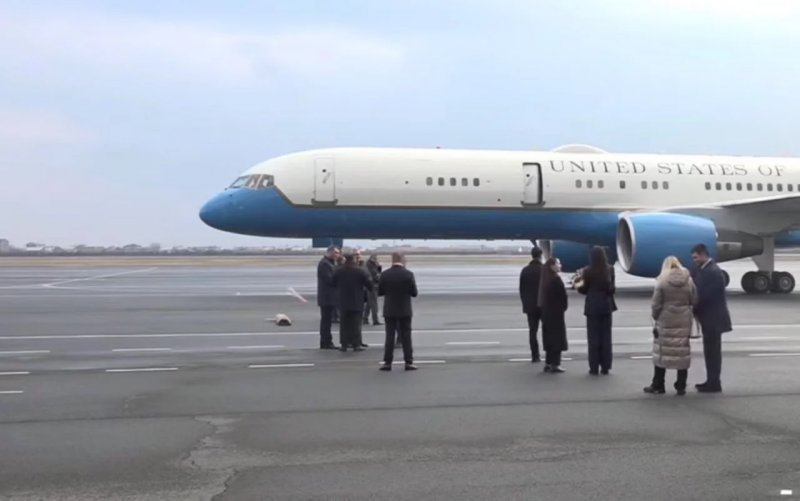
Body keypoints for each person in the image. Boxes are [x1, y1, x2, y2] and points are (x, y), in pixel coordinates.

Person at [644, 256, 697, 395]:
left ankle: (658, 384)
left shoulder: (661, 282)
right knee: (682, 352)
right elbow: (694, 300)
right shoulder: (689, 281)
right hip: (684, 319)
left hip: (665, 319)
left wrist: (655, 317)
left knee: (662, 352)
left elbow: (656, 304)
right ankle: (681, 385)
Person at [690, 243, 732, 393]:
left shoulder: (713, 272)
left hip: (714, 318)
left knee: (713, 352)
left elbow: (705, 295)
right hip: (709, 318)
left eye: (695, 257)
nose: (694, 260)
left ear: (702, 254)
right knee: (710, 351)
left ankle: (714, 382)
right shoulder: (703, 269)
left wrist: (692, 305)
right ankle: (711, 380)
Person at [576, 247, 617, 375]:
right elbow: (612, 289)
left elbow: (583, 289)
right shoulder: (610, 269)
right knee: (606, 338)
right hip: (606, 306)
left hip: (592, 307)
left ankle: (593, 367)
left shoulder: (587, 270)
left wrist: (578, 285)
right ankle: (605, 366)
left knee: (593, 338)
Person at [378, 252, 419, 371]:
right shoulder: (408, 274)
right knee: (406, 336)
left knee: (389, 336)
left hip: (390, 309)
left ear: (392, 259)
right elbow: (414, 293)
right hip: (404, 309)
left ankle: (387, 362)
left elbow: (380, 292)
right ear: (402, 259)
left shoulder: (385, 274)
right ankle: (408, 362)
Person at [332, 253, 373, 352]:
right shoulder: (360, 271)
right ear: (354, 259)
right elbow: (369, 284)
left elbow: (333, 282)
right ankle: (356, 344)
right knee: (356, 324)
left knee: (344, 324)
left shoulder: (339, 271)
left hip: (343, 300)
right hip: (357, 300)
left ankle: (344, 344)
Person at [538, 257, 568, 373]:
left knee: (549, 339)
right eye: (558, 263)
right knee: (557, 340)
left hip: (546, 313)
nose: (560, 265)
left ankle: (548, 363)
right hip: (556, 314)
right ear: (552, 266)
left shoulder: (545, 279)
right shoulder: (556, 280)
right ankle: (556, 364)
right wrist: (563, 308)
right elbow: (563, 297)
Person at [519, 246, 544, 363]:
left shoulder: (525, 270)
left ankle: (535, 356)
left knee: (532, 331)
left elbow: (521, 290)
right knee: (547, 331)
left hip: (530, 306)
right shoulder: (544, 270)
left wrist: (525, 304)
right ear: (541, 255)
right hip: (543, 306)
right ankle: (549, 356)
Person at [316, 246, 340, 349]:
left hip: (329, 297)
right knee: (326, 321)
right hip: (326, 298)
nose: (337, 255)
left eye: (338, 253)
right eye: (336, 253)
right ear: (329, 252)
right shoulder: (324, 264)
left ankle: (327, 341)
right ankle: (325, 342)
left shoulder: (329, 263)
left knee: (327, 321)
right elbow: (330, 280)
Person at [363, 254, 383, 326]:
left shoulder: (369, 265)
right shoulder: (370, 266)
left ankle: (365, 318)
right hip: (372, 286)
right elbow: (376, 276)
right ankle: (375, 320)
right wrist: (379, 267)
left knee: (369, 303)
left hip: (370, 286)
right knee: (374, 304)